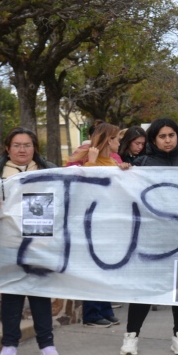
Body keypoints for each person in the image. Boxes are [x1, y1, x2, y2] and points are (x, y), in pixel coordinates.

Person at [120, 118, 178, 355]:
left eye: (171, 135)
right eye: (162, 136)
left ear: (177, 136)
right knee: (143, 288)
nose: (167, 140)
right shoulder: (141, 163)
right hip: (152, 240)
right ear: (153, 139)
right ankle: (131, 336)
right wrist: (122, 173)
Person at [0, 127, 61, 355]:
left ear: (35, 148)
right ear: (8, 148)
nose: (22, 149)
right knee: (12, 295)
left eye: (27, 145)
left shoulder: (50, 171)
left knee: (40, 294)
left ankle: (47, 344)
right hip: (6, 243)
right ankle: (9, 345)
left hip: (40, 243)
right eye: (17, 145)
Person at [67, 122, 126, 326]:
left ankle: (104, 308)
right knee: (93, 267)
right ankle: (91, 313)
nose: (120, 142)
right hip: (89, 222)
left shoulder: (112, 162)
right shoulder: (84, 159)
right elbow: (82, 189)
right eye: (117, 139)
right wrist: (90, 164)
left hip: (108, 221)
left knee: (106, 267)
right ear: (108, 140)